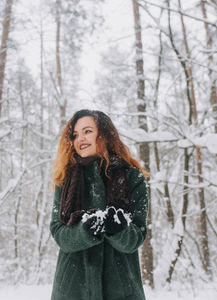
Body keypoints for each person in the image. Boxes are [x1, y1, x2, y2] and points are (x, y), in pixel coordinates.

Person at [50, 109, 149, 300]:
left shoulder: (133, 178)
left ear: (104, 134)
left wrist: (119, 230)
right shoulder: (65, 180)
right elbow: (59, 233)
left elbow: (136, 238)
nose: (80, 139)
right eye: (75, 135)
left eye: (87, 131)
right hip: (72, 290)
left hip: (121, 289)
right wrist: (84, 231)